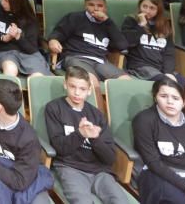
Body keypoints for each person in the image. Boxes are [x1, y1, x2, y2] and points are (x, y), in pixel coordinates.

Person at [44, 66, 125, 204]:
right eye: (72, 86)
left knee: (120, 201)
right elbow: (59, 149)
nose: (76, 93)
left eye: (82, 89)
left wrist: (95, 139)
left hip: (100, 172)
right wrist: (80, 134)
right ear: (65, 85)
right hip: (70, 167)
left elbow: (109, 158)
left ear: (89, 91)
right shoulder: (54, 108)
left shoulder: (97, 115)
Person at [47, 0, 131, 96]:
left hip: (101, 61)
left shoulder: (108, 24)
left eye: (100, 6)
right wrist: (53, 40)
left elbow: (122, 45)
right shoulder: (75, 17)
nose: (96, 8)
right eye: (91, 5)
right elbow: (58, 33)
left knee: (126, 81)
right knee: (91, 82)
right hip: (77, 57)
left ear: (105, 7)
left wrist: (108, 21)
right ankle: (98, 112)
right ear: (85, 5)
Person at [0, 0, 50, 78]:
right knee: (10, 70)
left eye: (6, 1)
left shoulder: (29, 17)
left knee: (37, 77)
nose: (2, 3)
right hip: (6, 51)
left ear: (16, 3)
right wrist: (2, 37)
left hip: (28, 53)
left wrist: (18, 37)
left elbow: (31, 48)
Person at [120, 0, 178, 83]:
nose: (147, 11)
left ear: (158, 10)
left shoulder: (165, 25)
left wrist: (168, 72)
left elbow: (169, 52)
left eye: (152, 8)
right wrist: (141, 25)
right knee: (167, 82)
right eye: (145, 6)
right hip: (140, 66)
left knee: (184, 84)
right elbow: (128, 43)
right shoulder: (131, 20)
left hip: (159, 68)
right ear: (140, 6)